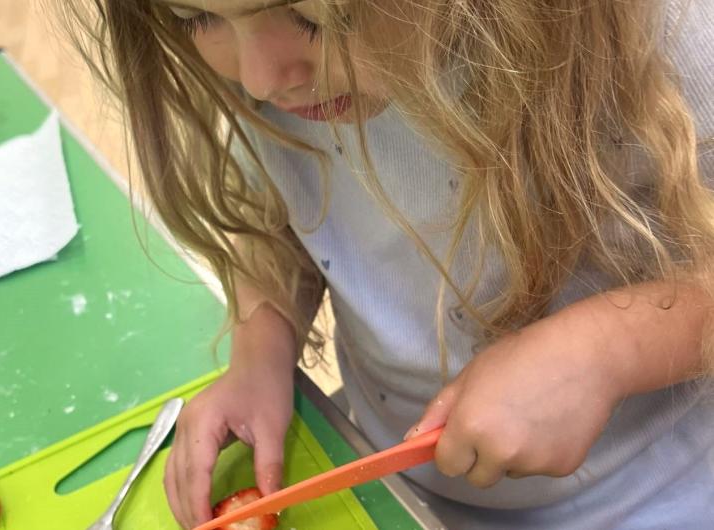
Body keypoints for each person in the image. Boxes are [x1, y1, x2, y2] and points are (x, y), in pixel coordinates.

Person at [55, 0, 714, 528]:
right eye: (196, 18)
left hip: (650, 496)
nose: (258, 76)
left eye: (318, 16)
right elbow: (283, 219)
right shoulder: (287, 73)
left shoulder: (667, 32)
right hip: (386, 478)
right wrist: (260, 351)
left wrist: (603, 351)